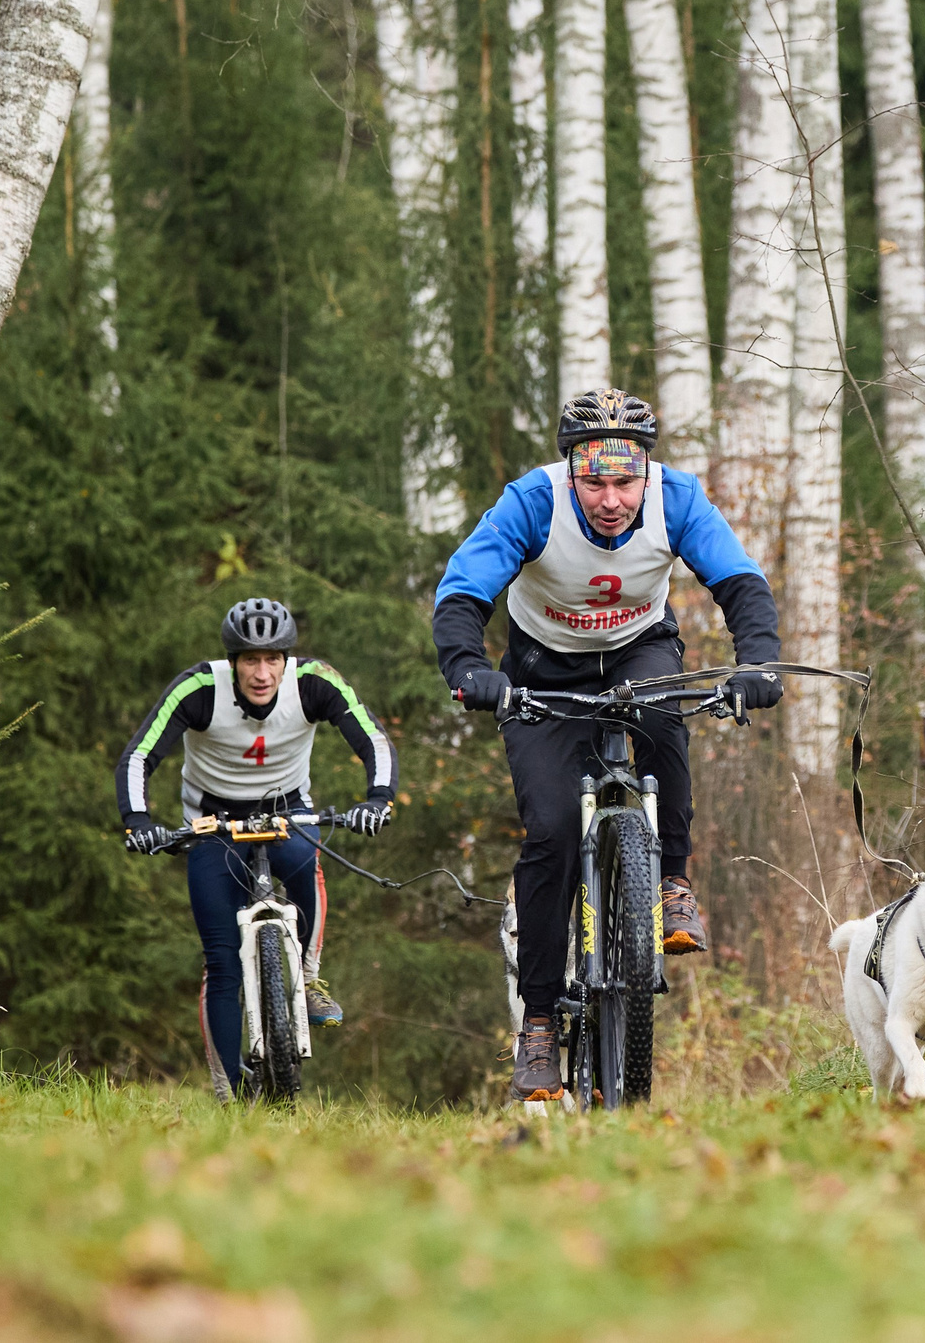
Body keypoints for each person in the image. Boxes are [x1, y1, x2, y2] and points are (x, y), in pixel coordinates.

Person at [432, 387, 783, 1103]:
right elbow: (463, 590)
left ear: (646, 473)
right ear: (572, 473)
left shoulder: (677, 497)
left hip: (637, 649)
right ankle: (537, 1022)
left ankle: (673, 881)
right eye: (595, 483)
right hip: (542, 671)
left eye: (627, 481)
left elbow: (741, 582)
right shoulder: (532, 502)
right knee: (553, 829)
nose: (613, 500)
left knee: (663, 717)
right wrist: (469, 669)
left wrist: (758, 663)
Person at [115, 597, 397, 1102]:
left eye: (272, 659)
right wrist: (139, 822)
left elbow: (372, 739)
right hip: (212, 822)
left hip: (287, 811)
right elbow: (139, 756)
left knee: (305, 861)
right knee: (222, 961)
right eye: (250, 660)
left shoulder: (314, 682)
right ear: (233, 661)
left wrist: (377, 799)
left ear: (287, 660)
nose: (262, 673)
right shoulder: (199, 688)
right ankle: (229, 1091)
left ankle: (308, 977)